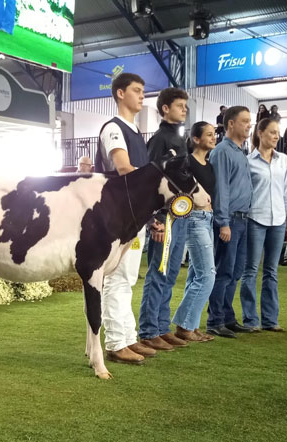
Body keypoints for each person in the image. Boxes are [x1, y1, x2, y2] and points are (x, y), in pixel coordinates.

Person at [94, 72, 154, 364]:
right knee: (117, 278)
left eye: (143, 90)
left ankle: (128, 337)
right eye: (136, 90)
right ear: (120, 93)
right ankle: (117, 342)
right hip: (116, 217)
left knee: (127, 278)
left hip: (134, 216)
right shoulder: (113, 128)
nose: (142, 95)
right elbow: (123, 168)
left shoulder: (134, 131)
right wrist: (156, 182)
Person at [138, 88, 197, 351]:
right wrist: (157, 219)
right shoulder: (160, 139)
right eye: (179, 105)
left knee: (171, 273)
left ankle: (162, 327)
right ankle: (149, 330)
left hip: (180, 214)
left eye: (185, 105)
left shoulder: (180, 138)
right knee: (158, 272)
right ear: (165, 109)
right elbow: (151, 180)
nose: (184, 109)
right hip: (165, 217)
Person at [239, 119, 287, 333]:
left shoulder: (284, 160)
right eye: (272, 132)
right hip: (254, 219)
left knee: (271, 271)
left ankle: (270, 320)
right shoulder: (248, 161)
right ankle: (250, 320)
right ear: (260, 133)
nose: (276, 136)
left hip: (278, 221)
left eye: (277, 132)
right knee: (250, 270)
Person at [206, 106, 253, 339]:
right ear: (231, 124)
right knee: (224, 270)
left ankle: (227, 317)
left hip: (242, 219)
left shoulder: (240, 152)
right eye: (244, 121)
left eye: (250, 121)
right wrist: (223, 222)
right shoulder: (223, 151)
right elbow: (221, 189)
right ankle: (215, 320)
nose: (249, 125)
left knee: (235, 271)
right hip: (230, 220)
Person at [172, 121, 216, 342]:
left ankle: (191, 324)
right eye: (209, 134)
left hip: (208, 219)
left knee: (196, 275)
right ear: (196, 139)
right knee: (207, 275)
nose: (213, 137)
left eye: (214, 134)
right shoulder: (187, 163)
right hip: (194, 219)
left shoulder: (209, 164)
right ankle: (185, 326)